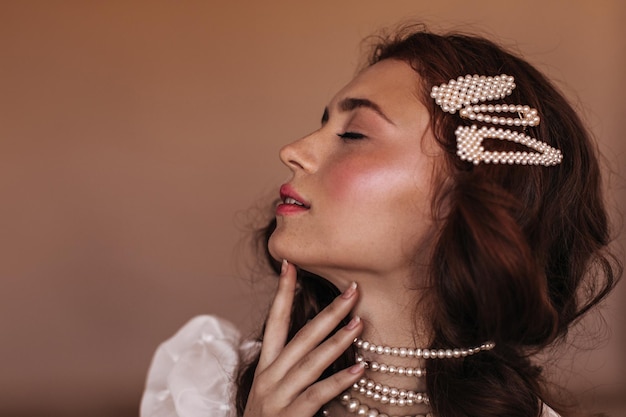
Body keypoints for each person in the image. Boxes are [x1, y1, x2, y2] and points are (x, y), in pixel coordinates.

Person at [140, 25, 620, 417]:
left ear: (468, 194)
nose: (293, 151)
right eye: (322, 123)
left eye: (352, 134)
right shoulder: (204, 386)